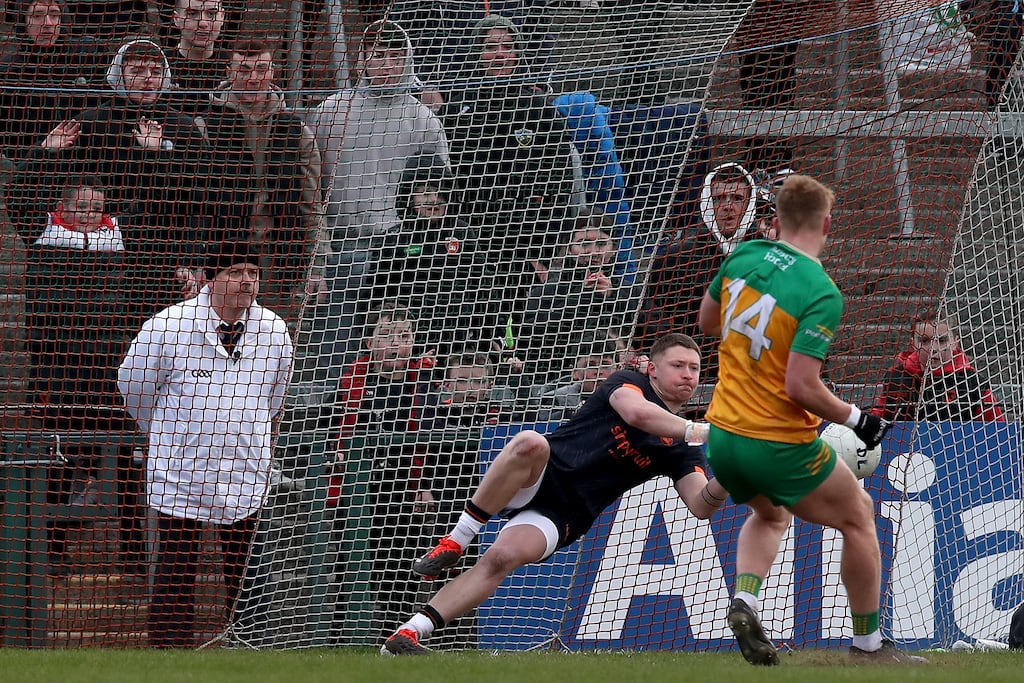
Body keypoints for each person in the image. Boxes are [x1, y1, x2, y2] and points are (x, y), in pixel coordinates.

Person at [696, 173, 925, 665]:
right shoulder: (820, 290)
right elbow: (801, 386)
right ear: (826, 222)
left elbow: (707, 323)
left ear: (774, 220)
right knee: (860, 516)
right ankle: (869, 647)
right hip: (777, 441)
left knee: (769, 513)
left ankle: (746, 600)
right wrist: (858, 418)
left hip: (723, 436)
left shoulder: (743, 257)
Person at [380, 332, 729, 655]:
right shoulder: (630, 383)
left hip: (566, 513)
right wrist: (706, 431)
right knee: (530, 442)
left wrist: (733, 472)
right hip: (543, 472)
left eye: (695, 368)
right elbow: (636, 414)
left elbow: (701, 505)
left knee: (500, 559)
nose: (688, 374)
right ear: (652, 368)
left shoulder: (683, 448)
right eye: (678, 365)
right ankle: (457, 540)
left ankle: (407, 634)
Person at [117, 239, 293, 648]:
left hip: (246, 467)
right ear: (209, 281)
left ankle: (252, 650)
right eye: (235, 272)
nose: (247, 281)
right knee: (176, 572)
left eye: (253, 272)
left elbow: (274, 398)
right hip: (181, 471)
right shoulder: (167, 326)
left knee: (248, 575)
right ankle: (169, 656)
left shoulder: (275, 329)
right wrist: (171, 435)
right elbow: (135, 390)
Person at [306, 19, 449, 368]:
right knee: (334, 344)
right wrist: (317, 252)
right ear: (362, 59)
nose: (386, 64)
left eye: (395, 56)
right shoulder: (330, 111)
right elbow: (309, 182)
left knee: (392, 345)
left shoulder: (424, 120)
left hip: (398, 252)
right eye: (378, 55)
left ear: (408, 60)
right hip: (338, 244)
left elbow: (441, 195)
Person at [438, 14, 578, 302]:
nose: (499, 54)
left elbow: (561, 183)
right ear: (476, 53)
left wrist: (544, 250)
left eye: (506, 46)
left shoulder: (541, 110)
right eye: (490, 47)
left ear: (518, 53)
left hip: (529, 245)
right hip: (470, 244)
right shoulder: (455, 112)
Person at [200, 38, 323, 319]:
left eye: (261, 70)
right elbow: (196, 205)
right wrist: (197, 262)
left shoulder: (296, 130)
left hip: (280, 260)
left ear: (272, 72)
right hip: (223, 263)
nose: (253, 79)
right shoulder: (206, 126)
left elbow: (312, 205)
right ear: (229, 73)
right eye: (243, 70)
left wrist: (316, 268)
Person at [636, 162, 758, 372]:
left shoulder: (768, 256)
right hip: (695, 371)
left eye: (737, 198)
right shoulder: (678, 257)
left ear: (749, 204)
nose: (728, 206)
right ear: (706, 203)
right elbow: (656, 320)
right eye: (719, 198)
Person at [0, 0, 106, 159]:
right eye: (37, 16)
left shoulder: (89, 55)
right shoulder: (9, 71)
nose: (47, 23)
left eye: (55, 15)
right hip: (33, 164)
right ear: (23, 22)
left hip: (87, 160)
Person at [870, 315, 1005, 422]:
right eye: (924, 341)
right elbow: (876, 423)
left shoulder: (974, 383)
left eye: (942, 341)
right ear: (913, 344)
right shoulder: (895, 378)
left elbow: (997, 432)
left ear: (954, 343)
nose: (933, 349)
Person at [166, 0, 230, 115]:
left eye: (211, 14)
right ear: (176, 19)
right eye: (192, 14)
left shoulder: (235, 65)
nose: (203, 23)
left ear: (222, 17)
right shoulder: (159, 66)